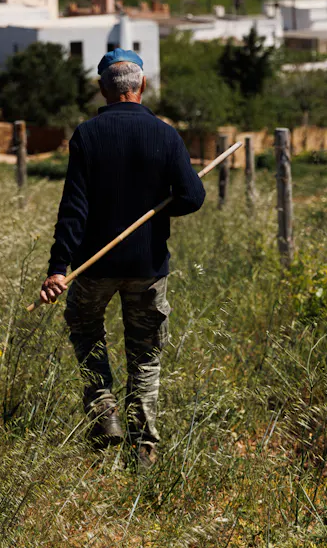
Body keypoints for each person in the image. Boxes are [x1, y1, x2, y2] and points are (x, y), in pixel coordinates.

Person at [39, 47, 206, 469]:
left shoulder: (87, 135)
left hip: (95, 266)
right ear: (142, 85)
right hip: (147, 267)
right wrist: (159, 208)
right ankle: (144, 448)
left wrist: (59, 267)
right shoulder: (165, 134)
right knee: (145, 355)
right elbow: (192, 196)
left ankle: (104, 409)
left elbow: (74, 209)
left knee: (86, 330)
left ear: (102, 89)